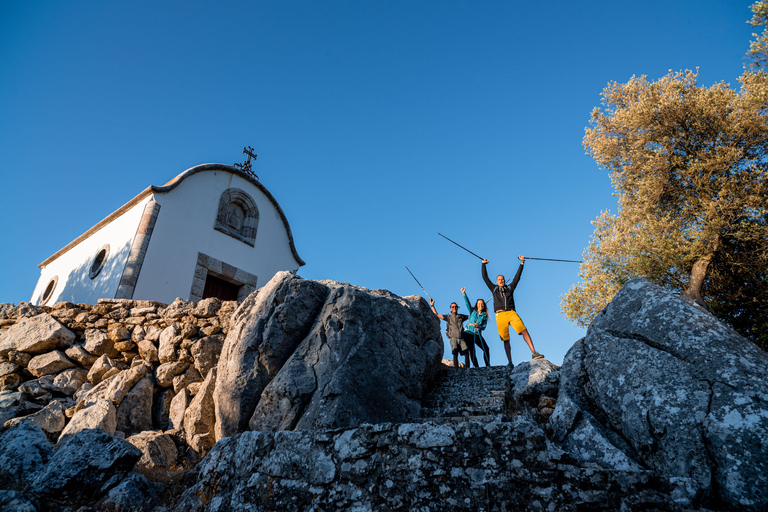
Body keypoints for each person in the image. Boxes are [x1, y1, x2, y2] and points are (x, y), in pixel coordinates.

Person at [481, 255, 544, 367]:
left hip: (511, 313)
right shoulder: (494, 289)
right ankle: (510, 362)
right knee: (506, 339)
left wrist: (522, 263)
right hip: (500, 315)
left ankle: (534, 352)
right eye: (499, 280)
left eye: (502, 279)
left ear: (504, 281)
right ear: (497, 281)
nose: (501, 281)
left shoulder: (510, 288)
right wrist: (483, 265)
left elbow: (517, 277)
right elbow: (485, 277)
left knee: (524, 331)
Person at [430, 298, 470, 369]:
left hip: (461, 338)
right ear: (450, 309)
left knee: (466, 353)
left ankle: (468, 369)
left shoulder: (461, 316)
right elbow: (436, 315)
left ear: (457, 308)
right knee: (455, 354)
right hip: (453, 338)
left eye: (455, 306)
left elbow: (471, 316)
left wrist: (477, 311)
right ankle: (456, 369)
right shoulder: (448, 317)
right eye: (453, 307)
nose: (454, 308)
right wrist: (432, 305)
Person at [461, 287, 490, 367]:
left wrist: (479, 326)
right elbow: (467, 304)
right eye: (479, 304)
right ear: (477, 305)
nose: (480, 305)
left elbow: (483, 327)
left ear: (483, 305)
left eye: (482, 304)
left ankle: (487, 365)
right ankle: (476, 367)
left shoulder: (484, 316)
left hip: (477, 334)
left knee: (486, 349)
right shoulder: (472, 312)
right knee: (472, 350)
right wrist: (464, 293)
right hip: (468, 333)